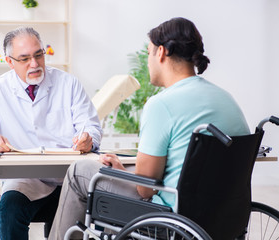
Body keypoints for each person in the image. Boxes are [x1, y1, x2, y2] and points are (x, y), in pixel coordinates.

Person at [48, 17, 250, 240]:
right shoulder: (227, 100)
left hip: (171, 217)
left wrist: (119, 174)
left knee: (79, 171)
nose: (147, 61)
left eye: (149, 53)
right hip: (223, 217)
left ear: (161, 52)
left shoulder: (162, 104)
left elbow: (145, 189)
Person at [0, 27, 102, 240]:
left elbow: (91, 127)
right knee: (10, 209)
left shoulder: (68, 84)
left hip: (69, 178)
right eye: (25, 58)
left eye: (39, 55)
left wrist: (87, 139)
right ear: (9, 62)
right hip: (26, 179)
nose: (35, 64)